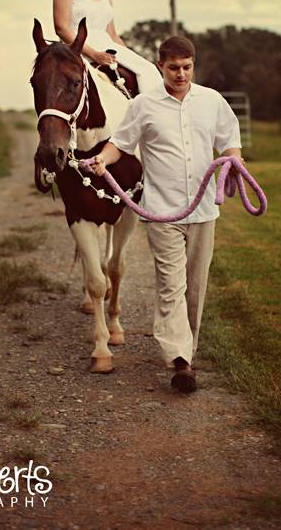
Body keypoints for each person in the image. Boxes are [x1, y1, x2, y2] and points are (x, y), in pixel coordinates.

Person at [92, 35, 243, 393]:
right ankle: (181, 362)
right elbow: (121, 144)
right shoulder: (144, 105)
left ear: (194, 65)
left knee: (194, 288)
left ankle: (185, 348)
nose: (180, 74)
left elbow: (230, 138)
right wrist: (102, 159)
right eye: (173, 67)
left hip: (204, 210)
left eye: (187, 67)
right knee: (171, 287)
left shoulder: (212, 101)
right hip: (163, 213)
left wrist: (235, 160)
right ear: (160, 66)